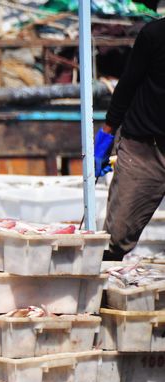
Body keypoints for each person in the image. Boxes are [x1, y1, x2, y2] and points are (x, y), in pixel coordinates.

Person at [96, 17, 165, 260]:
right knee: (114, 239)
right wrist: (106, 133)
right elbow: (128, 84)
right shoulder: (155, 34)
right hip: (143, 149)